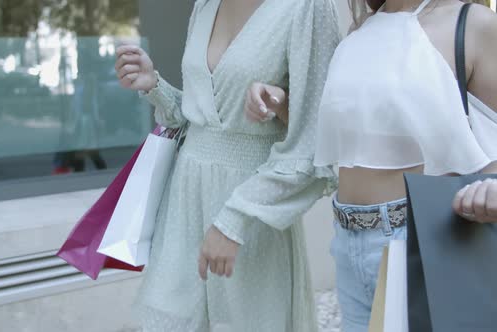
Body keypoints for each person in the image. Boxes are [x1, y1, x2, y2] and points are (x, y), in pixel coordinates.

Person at [248, 0, 497, 330]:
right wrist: (281, 105)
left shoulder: (473, 24)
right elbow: (357, 138)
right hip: (347, 240)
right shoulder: (361, 30)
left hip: (423, 238)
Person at [114, 0, 340, 330]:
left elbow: (315, 137)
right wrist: (154, 86)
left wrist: (234, 220)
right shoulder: (206, 4)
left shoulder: (308, 7)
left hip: (249, 211)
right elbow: (204, 122)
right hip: (184, 205)